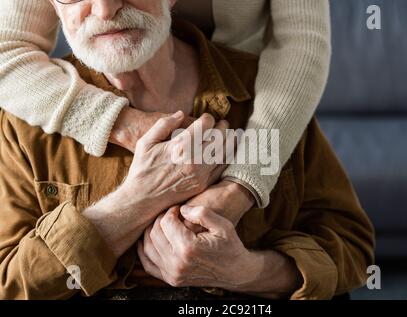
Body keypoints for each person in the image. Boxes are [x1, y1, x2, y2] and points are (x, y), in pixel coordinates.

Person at [0, 0, 374, 300]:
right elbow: (10, 284)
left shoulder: (271, 102)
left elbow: (351, 249)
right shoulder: (26, 118)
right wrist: (134, 202)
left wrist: (249, 272)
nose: (104, 9)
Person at [0, 0, 331, 214]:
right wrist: (120, 122)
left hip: (251, 103)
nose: (105, 9)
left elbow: (301, 40)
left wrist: (243, 185)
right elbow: (6, 50)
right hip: (111, 95)